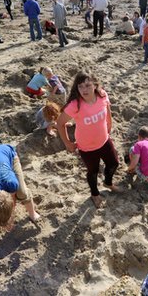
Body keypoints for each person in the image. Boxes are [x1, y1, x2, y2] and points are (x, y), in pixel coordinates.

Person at [56, 71, 120, 208]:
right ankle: (95, 194)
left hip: (104, 140)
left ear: (95, 85)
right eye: (80, 86)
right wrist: (67, 143)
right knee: (93, 172)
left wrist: (109, 124)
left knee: (114, 163)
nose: (84, 90)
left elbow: (107, 108)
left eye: (88, 85)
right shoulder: (75, 105)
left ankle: (108, 183)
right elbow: (59, 124)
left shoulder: (102, 95)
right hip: (86, 147)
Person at [0, 144, 40, 252]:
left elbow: (12, 200)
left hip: (9, 154)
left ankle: (32, 213)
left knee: (22, 192)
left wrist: (10, 219)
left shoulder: (11, 183)